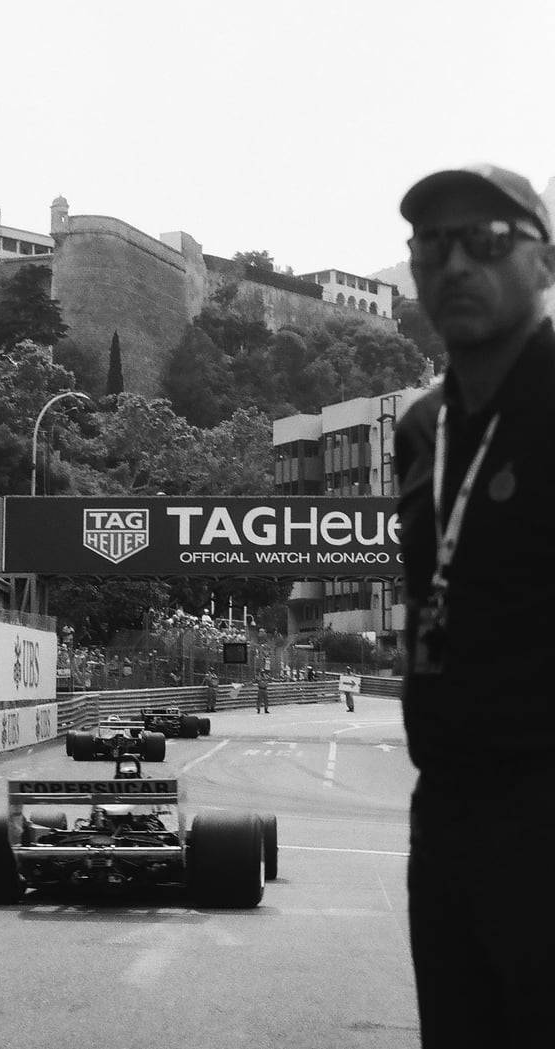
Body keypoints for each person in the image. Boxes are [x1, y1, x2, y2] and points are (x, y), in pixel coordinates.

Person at [395, 163, 555, 1049]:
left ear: (545, 262)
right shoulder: (423, 430)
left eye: (488, 240)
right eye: (433, 243)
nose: (456, 263)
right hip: (448, 814)